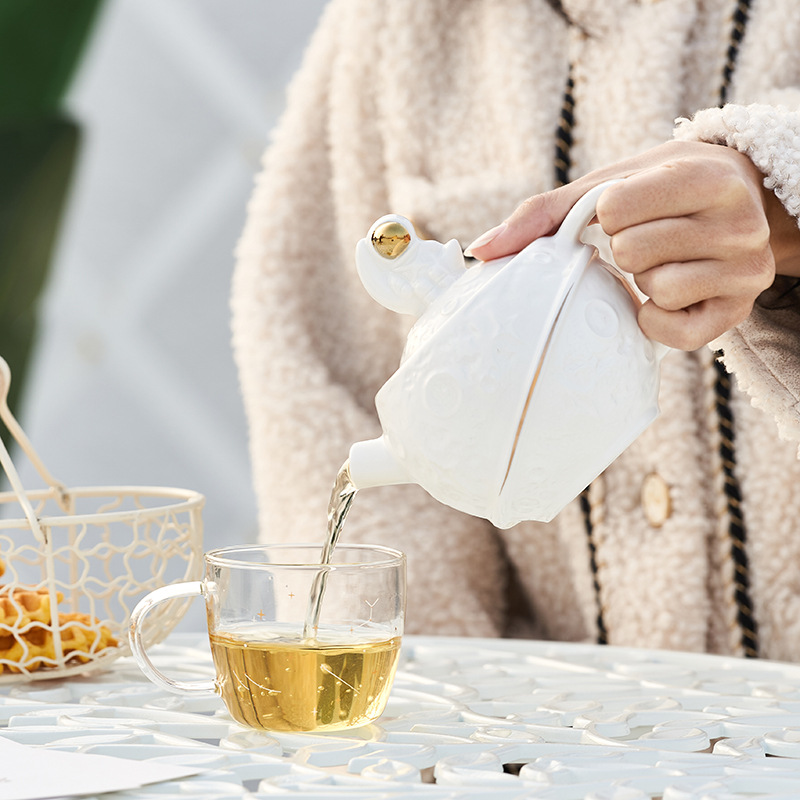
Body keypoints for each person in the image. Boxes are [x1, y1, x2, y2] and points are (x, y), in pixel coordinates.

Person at [231, 0, 800, 661]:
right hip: (559, 745)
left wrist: (780, 190)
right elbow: (319, 387)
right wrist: (437, 734)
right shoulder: (398, 26)